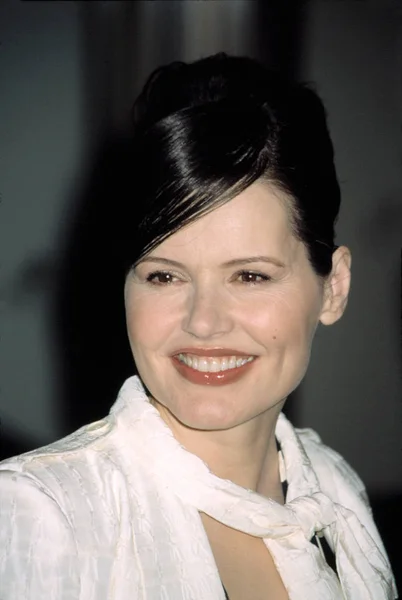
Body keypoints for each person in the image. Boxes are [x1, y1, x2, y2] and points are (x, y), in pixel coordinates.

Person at [0, 53, 397, 600]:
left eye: (251, 275)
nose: (203, 322)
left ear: (334, 287)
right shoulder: (41, 516)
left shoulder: (336, 491)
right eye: (164, 276)